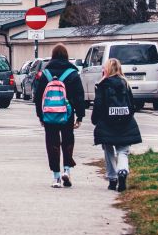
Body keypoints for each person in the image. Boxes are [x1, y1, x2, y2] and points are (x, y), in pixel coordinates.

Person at [34, 44, 87, 188]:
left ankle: (56, 177)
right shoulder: (73, 73)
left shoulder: (45, 74)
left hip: (50, 115)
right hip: (67, 115)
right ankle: (67, 170)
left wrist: (40, 115)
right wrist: (80, 116)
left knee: (52, 143)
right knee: (68, 141)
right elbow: (79, 96)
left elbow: (38, 97)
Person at [92, 58, 142, 191]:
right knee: (123, 151)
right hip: (125, 123)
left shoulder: (102, 85)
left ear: (106, 69)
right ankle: (122, 171)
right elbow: (133, 105)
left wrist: (95, 120)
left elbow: (98, 105)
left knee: (108, 150)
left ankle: (112, 178)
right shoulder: (125, 84)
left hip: (107, 124)